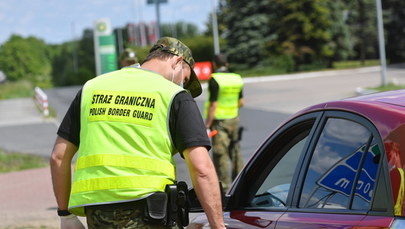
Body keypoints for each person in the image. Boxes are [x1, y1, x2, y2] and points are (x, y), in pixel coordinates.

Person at [50, 37, 226, 229]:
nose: (181, 85)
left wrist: (65, 215)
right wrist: (218, 226)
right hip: (151, 214)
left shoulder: (91, 88)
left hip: (98, 214)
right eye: (184, 79)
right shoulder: (174, 95)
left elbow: (59, 157)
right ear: (177, 61)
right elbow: (201, 169)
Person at [205, 53, 244, 191]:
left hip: (219, 121)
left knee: (221, 154)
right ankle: (241, 183)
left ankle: (224, 187)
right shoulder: (237, 78)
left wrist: (208, 124)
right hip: (234, 119)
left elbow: (213, 104)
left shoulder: (215, 79)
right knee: (235, 151)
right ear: (227, 64)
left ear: (215, 64)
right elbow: (241, 102)